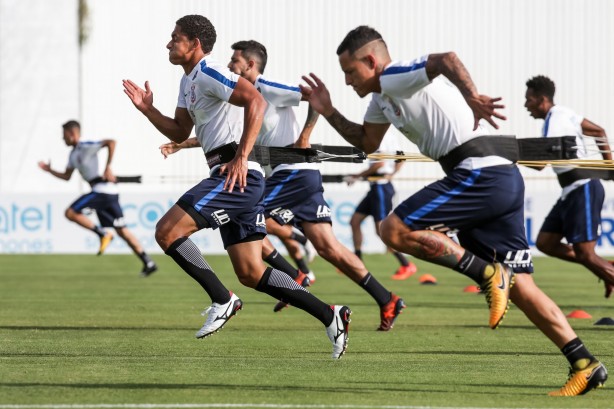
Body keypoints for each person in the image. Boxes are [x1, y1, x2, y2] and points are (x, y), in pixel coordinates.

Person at [302, 25, 607, 395]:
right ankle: (584, 363)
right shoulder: (380, 99)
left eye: (351, 72)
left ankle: (489, 274)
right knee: (523, 286)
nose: (348, 81)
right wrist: (329, 110)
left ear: (371, 61)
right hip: (497, 176)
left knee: (392, 230)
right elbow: (366, 141)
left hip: (480, 173)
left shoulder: (396, 76)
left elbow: (445, 59)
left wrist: (474, 96)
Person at [122, 15, 350, 359]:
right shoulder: (189, 81)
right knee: (251, 272)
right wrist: (147, 109)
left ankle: (221, 299)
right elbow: (179, 132)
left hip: (236, 175)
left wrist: (242, 156)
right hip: (239, 175)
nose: (169, 43)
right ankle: (330, 314)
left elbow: (255, 101)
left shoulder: (211, 71)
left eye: (175, 38)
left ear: (195, 44)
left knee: (167, 231)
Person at [226, 39, 405, 328]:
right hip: (297, 174)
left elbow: (312, 98)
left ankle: (295, 274)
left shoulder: (268, 87)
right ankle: (387, 299)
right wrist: (188, 143)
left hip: (293, 171)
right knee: (328, 248)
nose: (229, 65)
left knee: (242, 214)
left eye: (233, 61)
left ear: (250, 64)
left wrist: (306, 134)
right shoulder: (246, 99)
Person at [524, 75, 614, 298]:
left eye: (529, 100)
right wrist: (609, 165)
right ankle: (605, 267)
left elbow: (541, 163)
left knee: (585, 254)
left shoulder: (556, 118)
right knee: (546, 242)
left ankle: (604, 268)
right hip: (571, 190)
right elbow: (599, 131)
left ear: (542, 99)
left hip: (582, 187)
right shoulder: (564, 114)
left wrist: (508, 155)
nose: (526, 105)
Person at [38, 120, 158, 277]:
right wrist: (50, 170)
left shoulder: (85, 146)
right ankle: (148, 261)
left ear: (72, 134)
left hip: (103, 191)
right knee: (122, 230)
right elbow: (67, 176)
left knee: (70, 212)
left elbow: (111, 142)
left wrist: (108, 166)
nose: (63, 139)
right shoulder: (73, 155)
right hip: (108, 193)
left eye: (64, 135)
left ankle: (103, 234)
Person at [347, 132, 418, 280]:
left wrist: (357, 176)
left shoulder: (380, 137)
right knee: (355, 221)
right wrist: (392, 173)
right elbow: (401, 157)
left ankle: (406, 264)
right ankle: (357, 262)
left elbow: (379, 164)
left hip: (381, 188)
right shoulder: (391, 137)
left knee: (381, 230)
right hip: (376, 187)